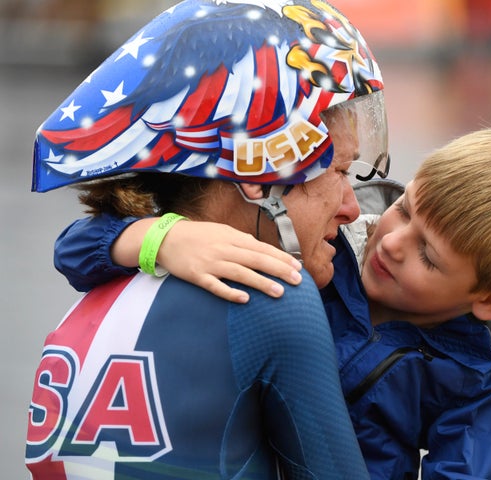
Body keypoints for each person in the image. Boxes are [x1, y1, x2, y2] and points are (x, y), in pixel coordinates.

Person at [52, 125, 491, 479]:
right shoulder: (317, 245)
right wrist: (164, 238)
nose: (390, 241)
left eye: (429, 257)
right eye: (406, 209)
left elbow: (466, 469)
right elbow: (76, 250)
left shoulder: (478, 371)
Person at [26, 0, 391, 478]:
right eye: (339, 170)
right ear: (261, 174)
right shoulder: (274, 293)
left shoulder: (103, 282)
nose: (350, 206)